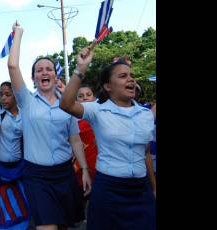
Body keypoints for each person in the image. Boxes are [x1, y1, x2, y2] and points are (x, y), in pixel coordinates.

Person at [7, 21, 91, 230]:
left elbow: (74, 139)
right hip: (37, 177)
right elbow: (12, 66)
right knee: (47, 226)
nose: (44, 72)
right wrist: (18, 34)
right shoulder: (26, 100)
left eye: (49, 69)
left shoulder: (67, 103)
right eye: (39, 70)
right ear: (34, 78)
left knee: (64, 225)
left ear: (55, 75)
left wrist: (86, 170)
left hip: (65, 174)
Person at [60, 49, 156, 230]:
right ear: (108, 86)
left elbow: (146, 153)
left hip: (141, 192)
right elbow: (66, 104)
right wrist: (81, 68)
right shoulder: (97, 110)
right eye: (122, 76)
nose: (131, 79)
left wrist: (154, 189)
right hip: (108, 191)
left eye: (131, 75)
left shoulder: (145, 115)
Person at [72, 84, 99, 223]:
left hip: (99, 170)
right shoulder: (70, 120)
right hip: (79, 172)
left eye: (89, 95)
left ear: (94, 98)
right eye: (81, 96)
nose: (85, 98)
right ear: (76, 100)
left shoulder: (101, 116)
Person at [0, 81, 23, 165]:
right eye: (1, 95)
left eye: (7, 95)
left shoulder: (23, 113)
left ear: (15, 96)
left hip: (19, 164)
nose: (3, 98)